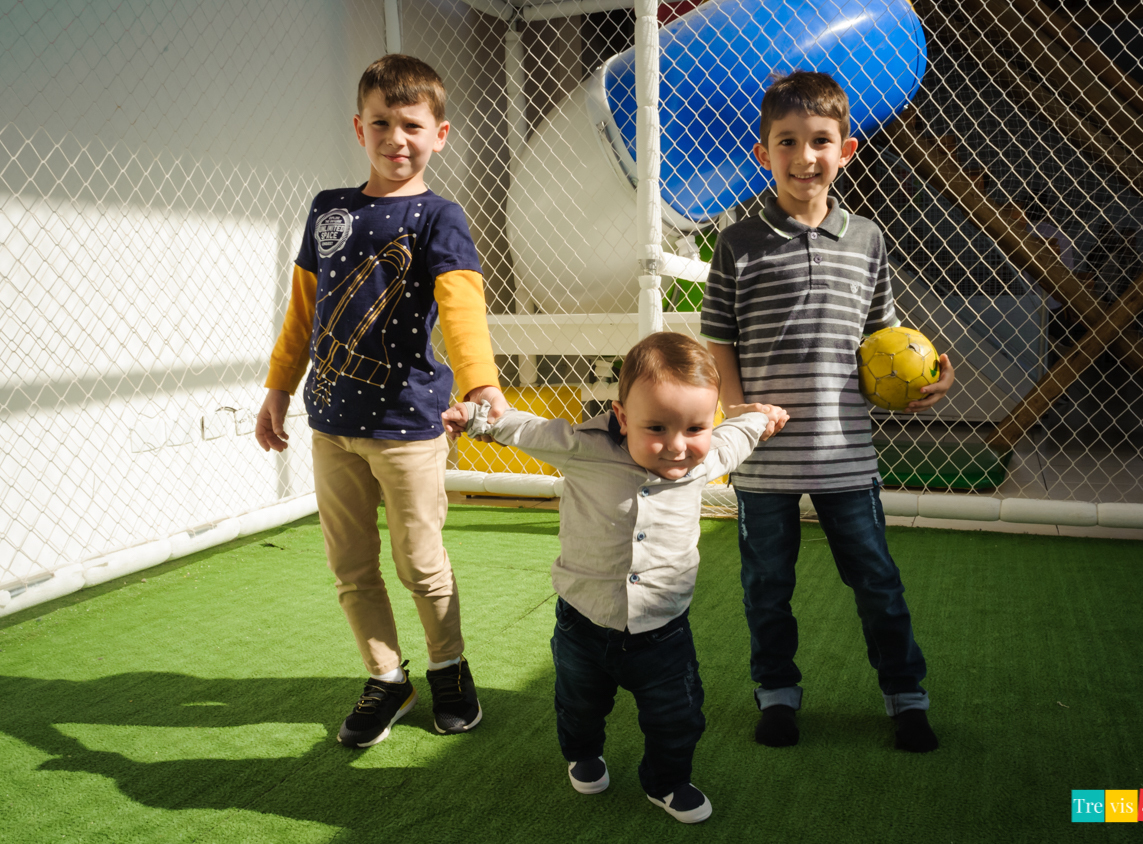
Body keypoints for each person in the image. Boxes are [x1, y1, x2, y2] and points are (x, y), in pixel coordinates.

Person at [254, 54, 508, 746]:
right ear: (358, 128)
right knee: (351, 564)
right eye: (382, 123)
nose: (397, 137)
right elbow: (302, 313)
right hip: (330, 426)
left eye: (413, 125)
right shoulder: (329, 211)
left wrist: (481, 381)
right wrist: (278, 389)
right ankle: (387, 679)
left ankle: (449, 667)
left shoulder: (439, 217)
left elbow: (462, 308)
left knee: (419, 562)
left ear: (440, 133)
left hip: (409, 428)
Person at [699, 70, 955, 753]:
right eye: (788, 142)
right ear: (764, 153)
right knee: (766, 586)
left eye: (820, 141)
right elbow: (718, 336)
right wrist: (732, 407)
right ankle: (776, 694)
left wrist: (929, 373)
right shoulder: (738, 243)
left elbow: (888, 342)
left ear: (847, 150)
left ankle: (906, 696)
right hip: (764, 457)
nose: (804, 156)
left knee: (876, 579)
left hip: (847, 454)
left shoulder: (868, 240)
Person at [442, 332, 788, 823]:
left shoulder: (704, 456)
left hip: (663, 631)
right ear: (622, 417)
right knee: (578, 705)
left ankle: (666, 781)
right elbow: (524, 428)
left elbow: (736, 435)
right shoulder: (583, 447)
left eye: (694, 427)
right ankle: (583, 753)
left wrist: (761, 417)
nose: (676, 446)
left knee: (678, 716)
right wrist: (475, 418)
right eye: (656, 428)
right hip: (583, 624)